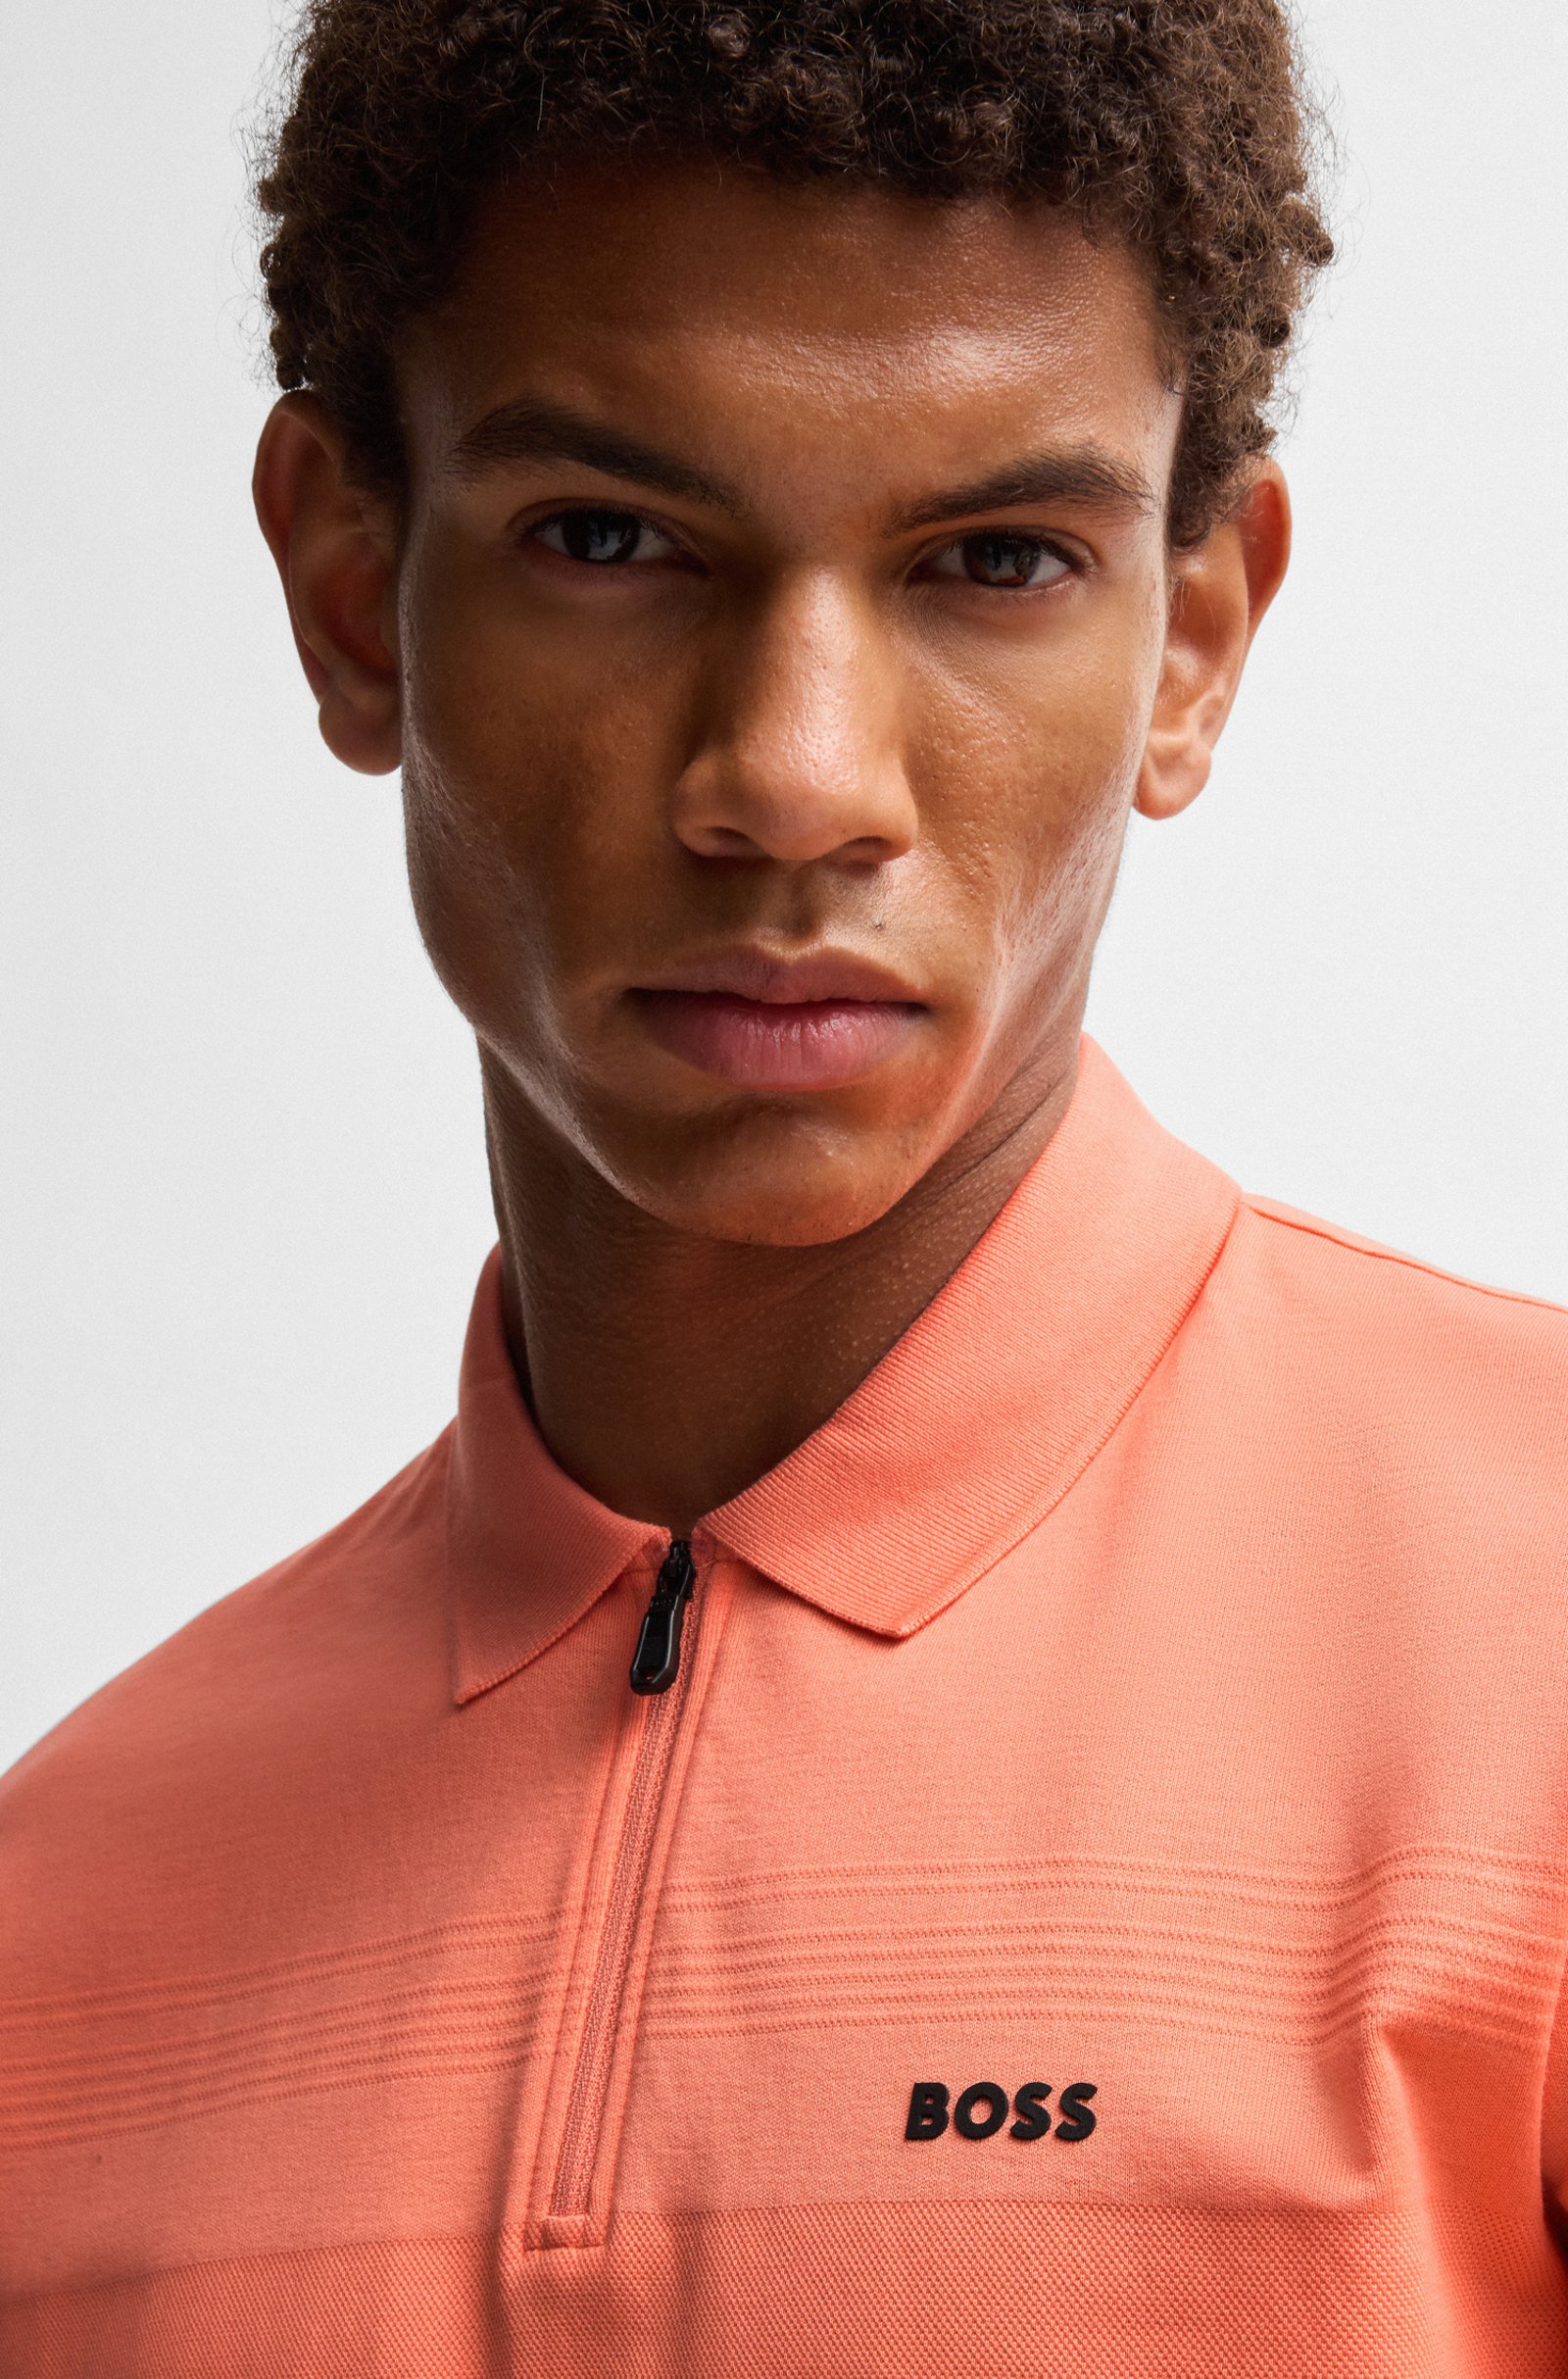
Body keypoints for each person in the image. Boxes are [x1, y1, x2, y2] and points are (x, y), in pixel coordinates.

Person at [4, 2, 1566, 2371]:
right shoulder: (54, 1926)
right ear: (348, 584)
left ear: (1189, 640)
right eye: (608, 538)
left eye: (995, 558)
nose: (795, 779)